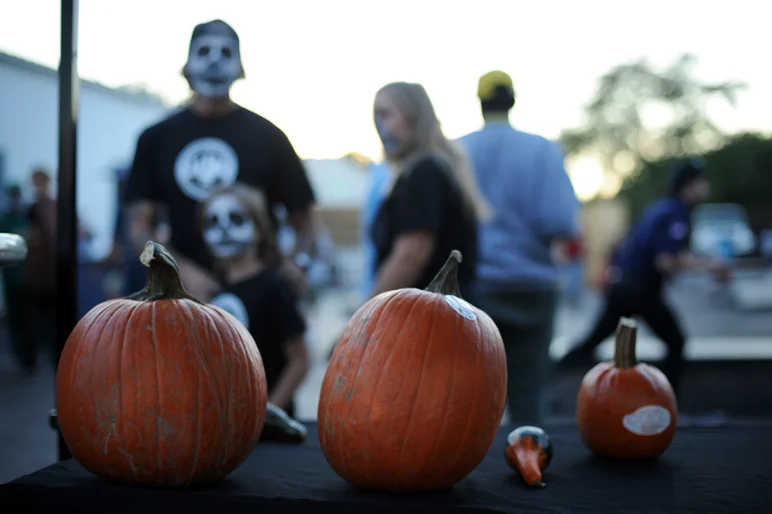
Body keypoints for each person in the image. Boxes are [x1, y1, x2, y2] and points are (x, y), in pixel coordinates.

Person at [123, 19, 318, 303]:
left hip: (259, 301)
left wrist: (298, 264)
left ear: (240, 68)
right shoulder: (155, 139)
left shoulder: (270, 137)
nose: (214, 63)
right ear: (187, 66)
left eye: (226, 53)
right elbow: (138, 230)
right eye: (203, 52)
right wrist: (180, 272)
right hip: (182, 300)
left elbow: (306, 219)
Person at [458, 70, 580, 426]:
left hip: (474, 292)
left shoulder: (458, 150)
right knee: (529, 397)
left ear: (480, 104)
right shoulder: (542, 150)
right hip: (534, 288)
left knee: (472, 397)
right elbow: (560, 222)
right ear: (512, 101)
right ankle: (530, 466)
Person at [556, 158, 731, 396]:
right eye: (701, 182)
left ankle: (547, 380)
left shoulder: (665, 209)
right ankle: (666, 405)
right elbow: (666, 261)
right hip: (638, 289)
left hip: (626, 286)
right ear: (687, 185)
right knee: (675, 342)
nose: (705, 188)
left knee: (592, 342)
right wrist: (710, 266)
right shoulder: (674, 213)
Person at [368, 82, 490, 300]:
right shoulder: (435, 168)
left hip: (428, 318)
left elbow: (410, 256)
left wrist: (367, 313)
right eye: (375, 115)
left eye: (385, 114)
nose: (378, 125)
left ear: (414, 116)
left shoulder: (424, 172)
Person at [204, 183, 310, 416]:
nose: (223, 230)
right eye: (212, 222)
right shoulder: (212, 291)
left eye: (236, 219)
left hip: (270, 428)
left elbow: (300, 360)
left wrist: (270, 411)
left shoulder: (274, 287)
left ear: (258, 230)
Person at [21, 169, 58, 371]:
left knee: (52, 321)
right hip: (37, 274)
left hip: (50, 273)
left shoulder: (50, 207)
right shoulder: (33, 208)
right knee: (32, 322)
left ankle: (55, 358)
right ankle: (31, 362)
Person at [0, 184, 30, 368]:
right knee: (15, 317)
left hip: (28, 277)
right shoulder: (6, 218)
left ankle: (28, 357)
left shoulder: (28, 215)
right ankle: (19, 354)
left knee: (27, 317)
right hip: (10, 277)